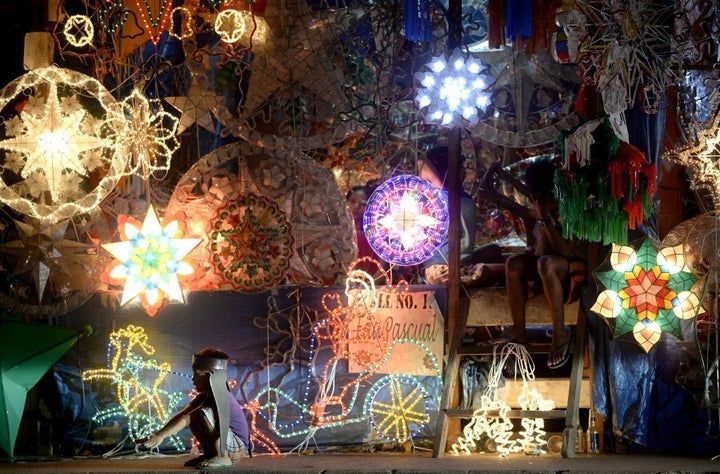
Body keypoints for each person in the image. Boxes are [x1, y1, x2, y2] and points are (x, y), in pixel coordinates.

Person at [480, 159, 587, 369]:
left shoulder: (572, 210)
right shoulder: (538, 210)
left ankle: (560, 333)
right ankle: (519, 330)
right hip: (548, 271)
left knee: (545, 263)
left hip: (573, 273)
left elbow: (564, 250)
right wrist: (499, 176)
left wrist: (546, 220)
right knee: (513, 263)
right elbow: (497, 198)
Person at [140, 348, 250, 469]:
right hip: (228, 445)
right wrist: (158, 434)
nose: (193, 379)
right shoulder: (204, 396)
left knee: (203, 413)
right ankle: (211, 454)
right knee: (196, 415)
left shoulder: (222, 396)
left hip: (237, 448)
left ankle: (222, 457)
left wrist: (161, 436)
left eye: (197, 374)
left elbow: (187, 418)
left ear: (210, 376)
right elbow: (182, 415)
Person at [418, 145, 505, 287]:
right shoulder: (441, 196)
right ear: (449, 171)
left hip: (461, 262)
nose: (464, 171)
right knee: (511, 270)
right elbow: (421, 162)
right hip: (444, 271)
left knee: (493, 250)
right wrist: (441, 184)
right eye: (460, 168)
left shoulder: (461, 195)